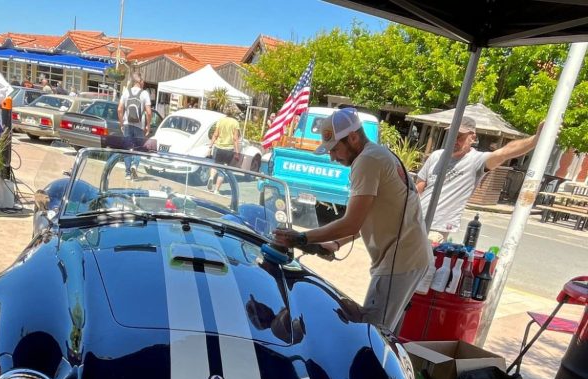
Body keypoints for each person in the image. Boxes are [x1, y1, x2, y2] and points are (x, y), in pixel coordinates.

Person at [272, 108, 432, 332]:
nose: (332, 157)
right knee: (379, 328)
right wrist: (336, 243)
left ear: (353, 137)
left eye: (335, 149)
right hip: (409, 258)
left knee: (373, 333)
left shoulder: (367, 161)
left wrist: (302, 238)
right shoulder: (378, 154)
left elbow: (351, 223)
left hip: (400, 261)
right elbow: (366, 216)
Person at [416, 115, 543, 241]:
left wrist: (536, 139)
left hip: (437, 228)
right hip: (414, 219)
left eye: (459, 136)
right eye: (452, 135)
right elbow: (419, 187)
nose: (454, 140)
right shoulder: (436, 156)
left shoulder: (476, 160)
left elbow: (505, 152)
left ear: (472, 138)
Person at [117, 70, 152, 180]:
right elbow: (149, 112)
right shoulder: (144, 93)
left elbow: (119, 109)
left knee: (127, 148)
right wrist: (148, 125)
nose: (144, 83)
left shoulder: (126, 92)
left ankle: (128, 174)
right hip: (139, 126)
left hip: (127, 125)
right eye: (143, 81)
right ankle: (134, 165)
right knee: (139, 148)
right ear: (140, 81)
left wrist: (122, 123)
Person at [207, 104, 241, 194]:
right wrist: (237, 152)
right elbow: (235, 138)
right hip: (229, 149)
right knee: (223, 169)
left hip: (218, 147)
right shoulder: (235, 123)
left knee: (215, 164)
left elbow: (215, 134)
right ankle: (216, 190)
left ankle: (211, 177)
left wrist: (210, 146)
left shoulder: (220, 120)